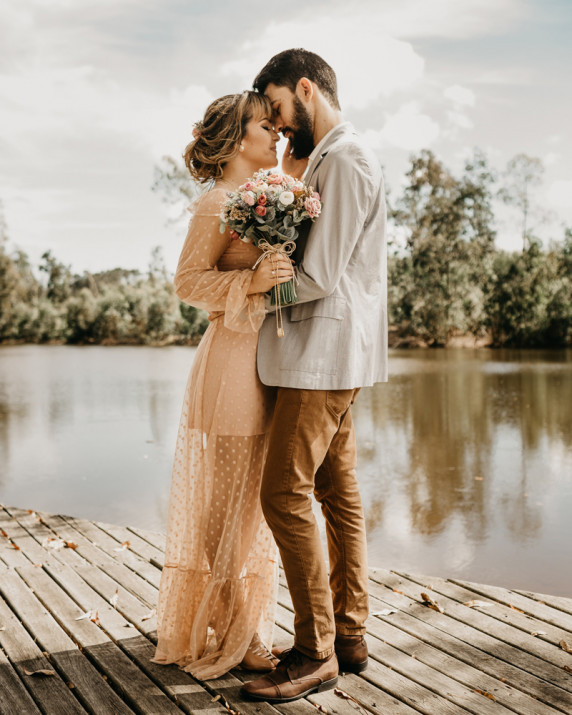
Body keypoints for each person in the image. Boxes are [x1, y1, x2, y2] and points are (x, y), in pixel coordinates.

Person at [241, 49, 388, 704]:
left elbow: (319, 276)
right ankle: (348, 634)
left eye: (276, 107)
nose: (277, 124)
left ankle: (313, 650)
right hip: (323, 355)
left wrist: (254, 292)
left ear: (305, 88)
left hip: (322, 357)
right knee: (337, 490)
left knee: (283, 493)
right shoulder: (323, 158)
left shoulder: (347, 158)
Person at [151, 91, 293, 680]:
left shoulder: (268, 198)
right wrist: (254, 281)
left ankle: (232, 617)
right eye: (267, 127)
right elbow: (187, 282)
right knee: (230, 502)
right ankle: (234, 624)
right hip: (231, 362)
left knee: (252, 499)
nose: (277, 137)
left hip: (267, 361)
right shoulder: (216, 202)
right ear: (239, 139)